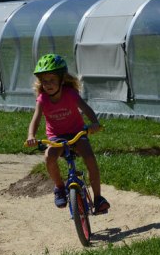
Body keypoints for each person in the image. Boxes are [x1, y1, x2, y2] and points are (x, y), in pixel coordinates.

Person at [26, 53, 110, 214]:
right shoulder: (43, 99)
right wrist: (31, 136)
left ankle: (98, 198)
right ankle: (59, 187)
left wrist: (94, 123)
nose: (48, 84)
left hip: (77, 133)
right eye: (44, 81)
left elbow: (86, 109)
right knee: (49, 157)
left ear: (62, 80)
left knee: (90, 158)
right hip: (56, 137)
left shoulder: (70, 94)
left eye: (52, 80)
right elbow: (35, 119)